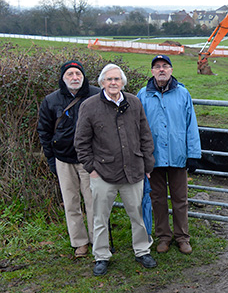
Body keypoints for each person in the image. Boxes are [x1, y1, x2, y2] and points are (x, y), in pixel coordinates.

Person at [74, 64, 157, 276]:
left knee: (137, 215)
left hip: (134, 171)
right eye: (109, 79)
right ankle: (101, 255)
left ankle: (142, 250)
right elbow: (81, 142)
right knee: (100, 218)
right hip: (103, 172)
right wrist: (91, 168)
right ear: (102, 82)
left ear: (123, 82)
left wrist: (148, 165)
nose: (113, 83)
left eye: (117, 79)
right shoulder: (89, 106)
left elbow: (145, 136)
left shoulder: (134, 102)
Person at [137, 55, 201, 255]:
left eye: (165, 66)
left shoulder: (182, 93)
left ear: (171, 70)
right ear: (152, 71)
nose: (161, 70)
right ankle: (163, 236)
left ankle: (182, 237)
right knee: (157, 199)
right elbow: (137, 127)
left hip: (177, 155)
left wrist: (193, 154)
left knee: (180, 199)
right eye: (157, 67)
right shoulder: (143, 95)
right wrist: (141, 155)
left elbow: (191, 125)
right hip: (153, 157)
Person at [37, 60, 101, 258]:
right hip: (63, 159)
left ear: (83, 76)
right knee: (71, 203)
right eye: (70, 75)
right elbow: (44, 131)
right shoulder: (51, 100)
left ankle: (98, 240)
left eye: (78, 74)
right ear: (63, 78)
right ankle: (79, 242)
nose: (75, 78)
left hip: (90, 160)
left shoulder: (97, 94)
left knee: (94, 202)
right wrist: (51, 159)